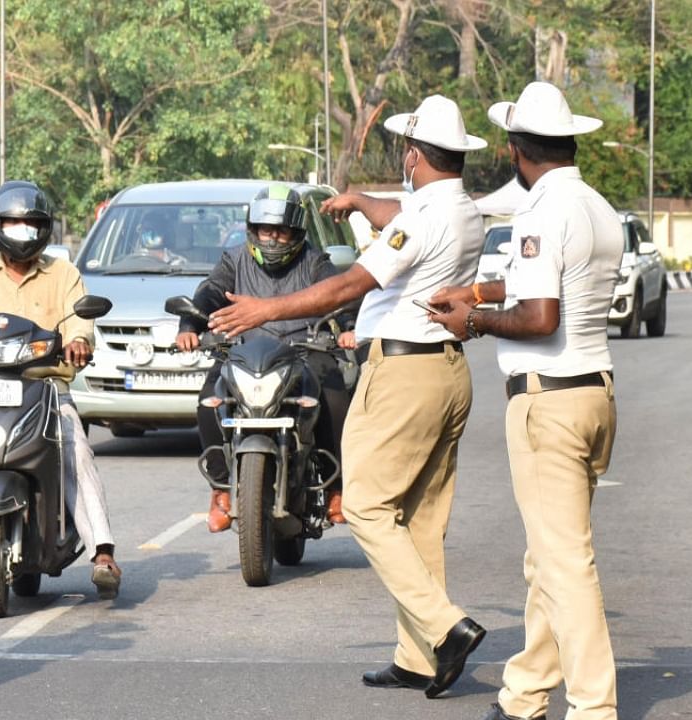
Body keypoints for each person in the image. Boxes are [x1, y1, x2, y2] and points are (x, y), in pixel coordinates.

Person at [208, 95, 488, 699]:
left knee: (363, 508)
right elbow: (402, 218)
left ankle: (444, 628)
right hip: (448, 373)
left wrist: (266, 308)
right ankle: (418, 656)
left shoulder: (420, 217)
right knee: (419, 519)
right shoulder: (461, 208)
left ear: (412, 155)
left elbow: (349, 284)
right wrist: (362, 201)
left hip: (405, 375)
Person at [426, 81, 622, 720]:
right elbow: (545, 280)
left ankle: (594, 707)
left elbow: (540, 315)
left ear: (515, 150)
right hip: (594, 394)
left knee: (565, 564)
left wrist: (474, 324)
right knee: (549, 556)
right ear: (569, 142)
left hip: (549, 403)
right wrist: (480, 293)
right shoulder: (598, 207)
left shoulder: (541, 213)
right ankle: (525, 695)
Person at [0, 180, 123, 599]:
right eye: (12, 222)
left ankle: (101, 550)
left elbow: (79, 320)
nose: (21, 230)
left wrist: (79, 340)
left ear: (44, 228)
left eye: (30, 223)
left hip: (44, 388)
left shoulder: (63, 274)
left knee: (75, 446)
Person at [175, 183, 355, 531]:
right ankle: (221, 489)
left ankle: (336, 487)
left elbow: (340, 296)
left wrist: (347, 326)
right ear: (253, 230)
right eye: (266, 230)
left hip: (304, 351)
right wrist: (189, 325)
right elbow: (209, 292)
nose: (273, 239)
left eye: (282, 232)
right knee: (209, 401)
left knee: (334, 397)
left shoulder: (315, 262)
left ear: (297, 233)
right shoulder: (234, 259)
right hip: (243, 355)